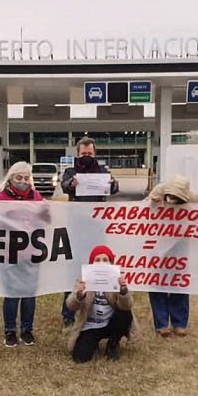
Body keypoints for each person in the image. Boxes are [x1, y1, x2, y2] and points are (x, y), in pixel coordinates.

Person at [59, 136, 119, 327]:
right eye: (83, 153)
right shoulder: (70, 171)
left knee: (99, 269)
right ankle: (68, 315)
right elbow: (64, 185)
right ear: (78, 154)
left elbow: (115, 188)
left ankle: (97, 311)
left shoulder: (103, 171)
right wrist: (71, 185)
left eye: (90, 153)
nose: (86, 156)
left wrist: (113, 183)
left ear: (95, 153)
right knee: (72, 271)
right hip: (76, 230)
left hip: (97, 230)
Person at [0, 161, 45, 348]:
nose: (23, 181)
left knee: (30, 294)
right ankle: (10, 331)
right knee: (12, 294)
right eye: (19, 177)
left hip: (32, 253)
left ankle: (27, 330)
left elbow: (47, 219)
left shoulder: (37, 197)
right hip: (10, 253)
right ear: (11, 178)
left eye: (26, 177)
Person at [146, 175, 198, 337]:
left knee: (179, 282)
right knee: (157, 283)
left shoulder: (194, 198)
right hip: (158, 242)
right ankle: (161, 324)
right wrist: (152, 204)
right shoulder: (157, 192)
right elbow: (140, 214)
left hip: (181, 243)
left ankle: (179, 322)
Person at [66, 245, 137, 363]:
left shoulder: (117, 279)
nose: (101, 263)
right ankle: (93, 343)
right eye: (97, 260)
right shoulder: (83, 280)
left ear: (111, 263)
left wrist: (123, 291)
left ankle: (113, 344)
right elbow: (70, 305)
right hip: (90, 326)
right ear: (91, 263)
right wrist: (79, 295)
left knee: (125, 314)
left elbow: (127, 306)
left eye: (105, 260)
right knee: (80, 358)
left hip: (110, 323)